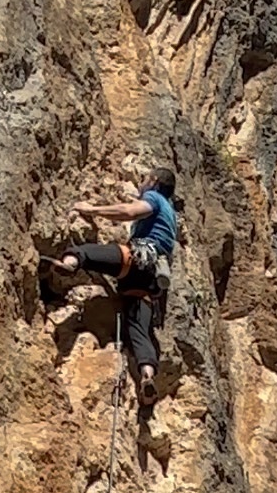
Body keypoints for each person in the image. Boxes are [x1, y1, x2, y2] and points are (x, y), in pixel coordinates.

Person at [48, 169, 179, 398]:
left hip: (137, 259)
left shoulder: (155, 199)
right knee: (139, 331)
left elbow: (130, 211)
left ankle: (69, 263)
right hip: (150, 281)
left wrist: (93, 210)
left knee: (87, 252)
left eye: (145, 179)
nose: (141, 183)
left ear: (154, 181)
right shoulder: (172, 216)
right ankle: (147, 374)